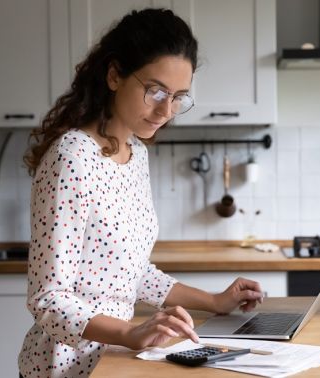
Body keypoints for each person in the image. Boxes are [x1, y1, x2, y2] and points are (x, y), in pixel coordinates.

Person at [18, 8, 264, 378]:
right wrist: (131, 334)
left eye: (178, 96)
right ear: (115, 75)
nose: (167, 110)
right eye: (155, 91)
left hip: (114, 362)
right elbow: (48, 299)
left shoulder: (135, 154)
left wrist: (215, 302)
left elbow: (130, 273)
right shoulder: (72, 158)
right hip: (64, 368)